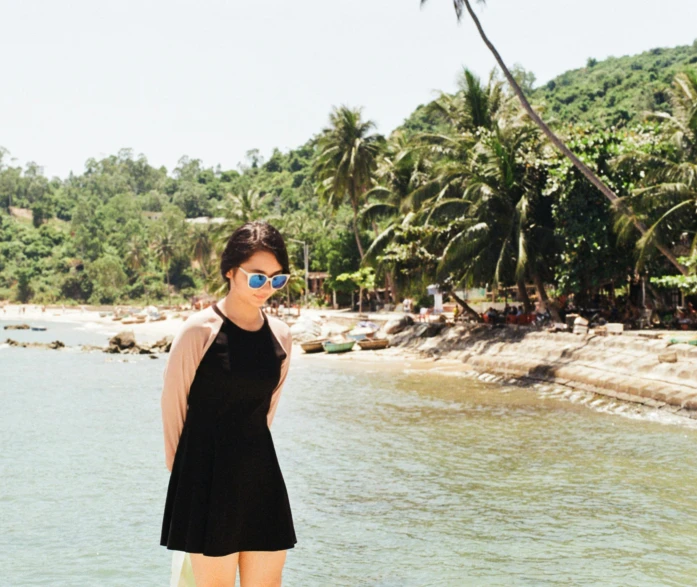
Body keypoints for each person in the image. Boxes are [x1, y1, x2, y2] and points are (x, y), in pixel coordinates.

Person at [160, 221, 296, 586]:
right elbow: (173, 410)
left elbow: (266, 412)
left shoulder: (281, 336)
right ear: (230, 271)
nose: (266, 288)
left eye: (277, 279)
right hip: (204, 477)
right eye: (257, 278)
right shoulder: (198, 331)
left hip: (261, 475)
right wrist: (187, 483)